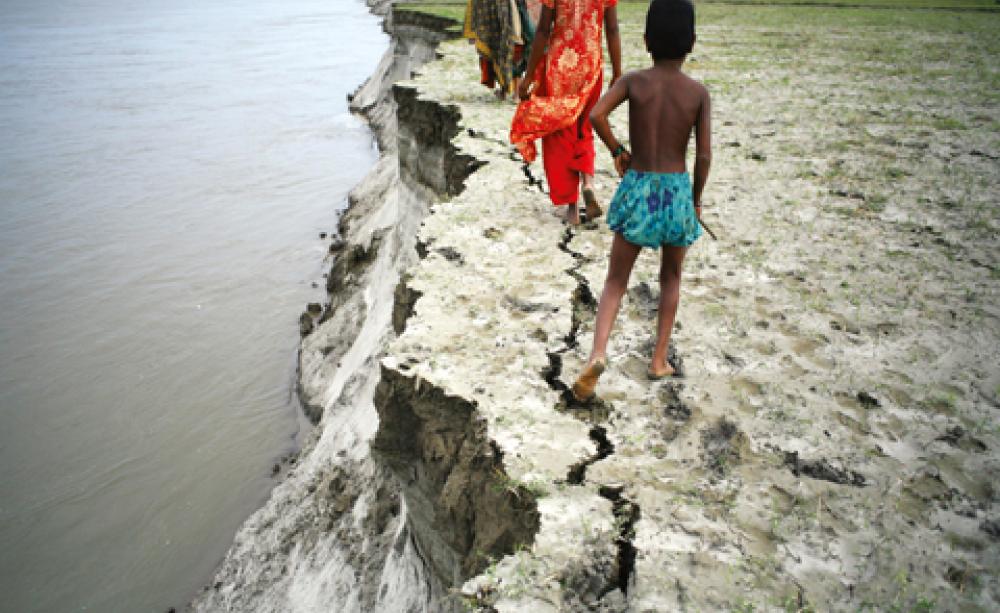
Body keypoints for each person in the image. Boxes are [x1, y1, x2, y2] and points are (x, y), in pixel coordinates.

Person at [571, 0, 711, 401]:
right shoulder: (697, 94)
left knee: (616, 279)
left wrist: (617, 150)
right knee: (671, 277)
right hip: (675, 190)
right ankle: (659, 359)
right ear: (692, 43)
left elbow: (597, 114)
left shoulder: (633, 82)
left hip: (638, 188)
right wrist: (696, 201)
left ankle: (598, 353)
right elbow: (703, 155)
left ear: (646, 40)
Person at [509, 0, 622, 225]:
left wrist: (529, 76)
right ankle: (588, 183)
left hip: (560, 64)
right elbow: (612, 28)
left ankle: (572, 207)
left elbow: (542, 30)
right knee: (585, 128)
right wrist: (617, 71)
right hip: (591, 65)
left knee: (562, 132)